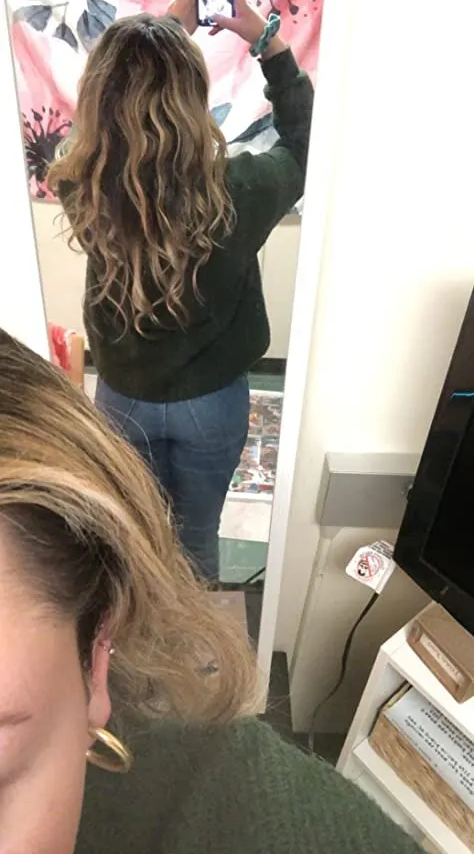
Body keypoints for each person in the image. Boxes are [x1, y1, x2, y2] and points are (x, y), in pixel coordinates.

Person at [0, 327, 424, 854]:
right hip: (203, 393)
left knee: (155, 541)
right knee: (194, 539)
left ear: (98, 651)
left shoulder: (261, 811)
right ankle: (186, 663)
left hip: (126, 388)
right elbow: (251, 323)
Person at [47, 0, 314, 581]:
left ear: (100, 95)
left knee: (135, 538)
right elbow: (307, 144)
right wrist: (267, 42)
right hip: (211, 402)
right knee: (196, 541)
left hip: (122, 396)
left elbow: (90, 126)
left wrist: (163, 33)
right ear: (194, 97)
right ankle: (195, 637)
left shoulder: (82, 182)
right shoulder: (239, 190)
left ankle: (144, 633)